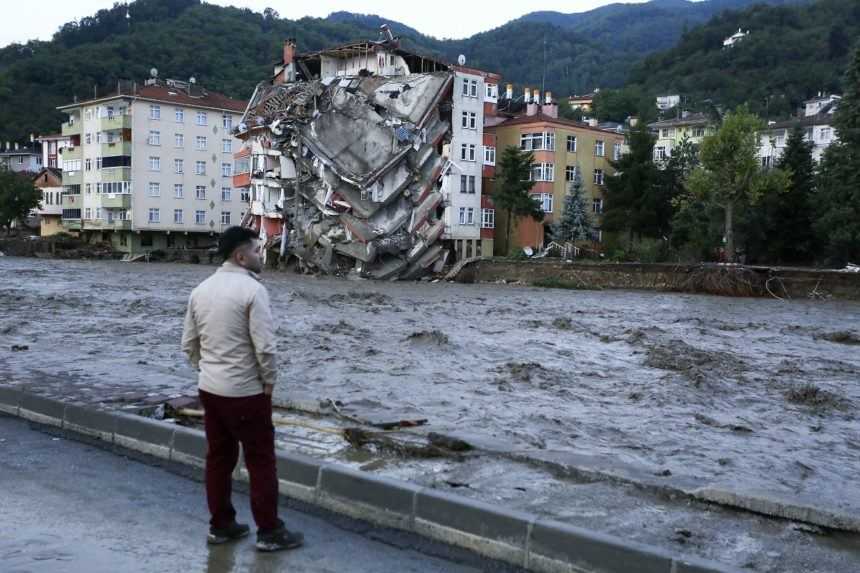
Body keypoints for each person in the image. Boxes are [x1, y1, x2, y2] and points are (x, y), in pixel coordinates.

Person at [181, 226, 303, 552]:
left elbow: (189, 345)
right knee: (261, 460)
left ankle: (221, 526)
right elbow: (265, 347)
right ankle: (269, 531)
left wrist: (208, 370)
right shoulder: (253, 291)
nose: (260, 255)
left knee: (219, 459)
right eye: (256, 250)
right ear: (240, 255)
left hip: (210, 388)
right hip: (246, 392)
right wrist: (269, 381)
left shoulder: (200, 290)